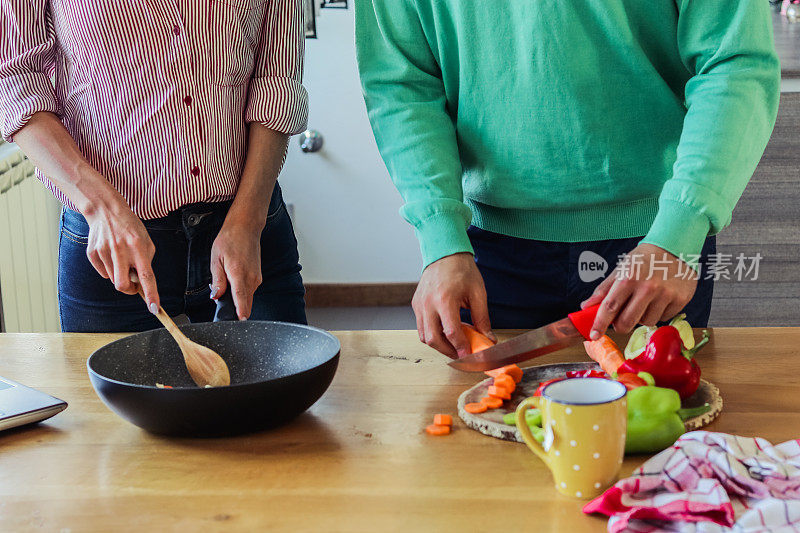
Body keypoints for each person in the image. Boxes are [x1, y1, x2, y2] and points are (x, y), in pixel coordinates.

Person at [356, 1, 780, 358]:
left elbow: (733, 61)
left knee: (663, 440)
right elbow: (402, 85)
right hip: (482, 255)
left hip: (657, 244)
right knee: (484, 443)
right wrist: (440, 239)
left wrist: (681, 229)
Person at [0, 0, 309, 332]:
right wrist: (101, 208)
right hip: (113, 244)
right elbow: (13, 77)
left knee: (279, 384)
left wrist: (248, 220)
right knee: (107, 386)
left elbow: (277, 78)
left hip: (246, 227)